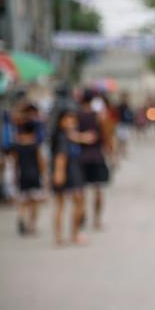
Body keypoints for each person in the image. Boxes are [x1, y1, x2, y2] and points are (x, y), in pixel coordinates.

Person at [51, 109, 85, 246]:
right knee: (70, 204)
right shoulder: (62, 137)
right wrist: (59, 173)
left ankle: (68, 235)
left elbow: (78, 137)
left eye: (72, 119)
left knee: (64, 204)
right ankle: (69, 235)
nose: (70, 122)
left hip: (73, 170)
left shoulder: (68, 135)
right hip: (68, 172)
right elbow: (61, 156)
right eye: (67, 119)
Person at [77, 89, 110, 230]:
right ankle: (97, 219)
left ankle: (81, 215)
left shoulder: (75, 116)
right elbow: (106, 136)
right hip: (97, 156)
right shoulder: (99, 116)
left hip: (80, 157)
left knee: (81, 190)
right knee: (98, 190)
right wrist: (111, 153)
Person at [11, 119, 45, 235]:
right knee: (34, 202)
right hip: (34, 176)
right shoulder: (35, 146)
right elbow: (41, 162)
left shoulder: (17, 147)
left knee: (23, 201)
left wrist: (15, 176)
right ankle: (32, 226)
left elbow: (15, 163)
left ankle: (21, 217)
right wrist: (44, 176)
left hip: (23, 176)